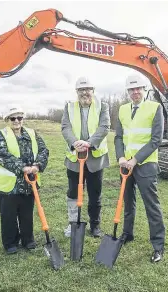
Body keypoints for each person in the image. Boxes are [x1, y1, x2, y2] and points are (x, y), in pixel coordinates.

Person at [115, 73, 166, 263]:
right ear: (128, 91)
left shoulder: (155, 108)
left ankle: (158, 246)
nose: (135, 92)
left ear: (144, 90)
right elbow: (119, 137)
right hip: (125, 165)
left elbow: (156, 140)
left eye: (138, 89)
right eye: (131, 89)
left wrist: (135, 159)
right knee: (128, 203)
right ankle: (127, 234)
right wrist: (121, 157)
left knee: (151, 206)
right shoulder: (122, 110)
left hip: (145, 164)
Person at [0, 105, 49, 254]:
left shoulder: (32, 133)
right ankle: (10, 243)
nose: (16, 121)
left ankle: (28, 240)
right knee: (9, 216)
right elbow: (2, 155)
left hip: (29, 182)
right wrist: (23, 167)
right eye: (13, 118)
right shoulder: (1, 134)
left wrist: (37, 165)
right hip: (8, 185)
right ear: (7, 120)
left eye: (19, 118)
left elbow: (44, 150)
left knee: (26, 214)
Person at [61, 76, 110, 238]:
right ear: (77, 92)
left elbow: (104, 127)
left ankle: (95, 226)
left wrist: (89, 143)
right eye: (81, 90)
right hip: (75, 158)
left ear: (93, 91)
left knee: (95, 194)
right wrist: (75, 143)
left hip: (95, 158)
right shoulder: (69, 107)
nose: (85, 93)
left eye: (87, 89)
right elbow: (65, 127)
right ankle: (73, 224)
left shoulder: (103, 106)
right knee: (73, 193)